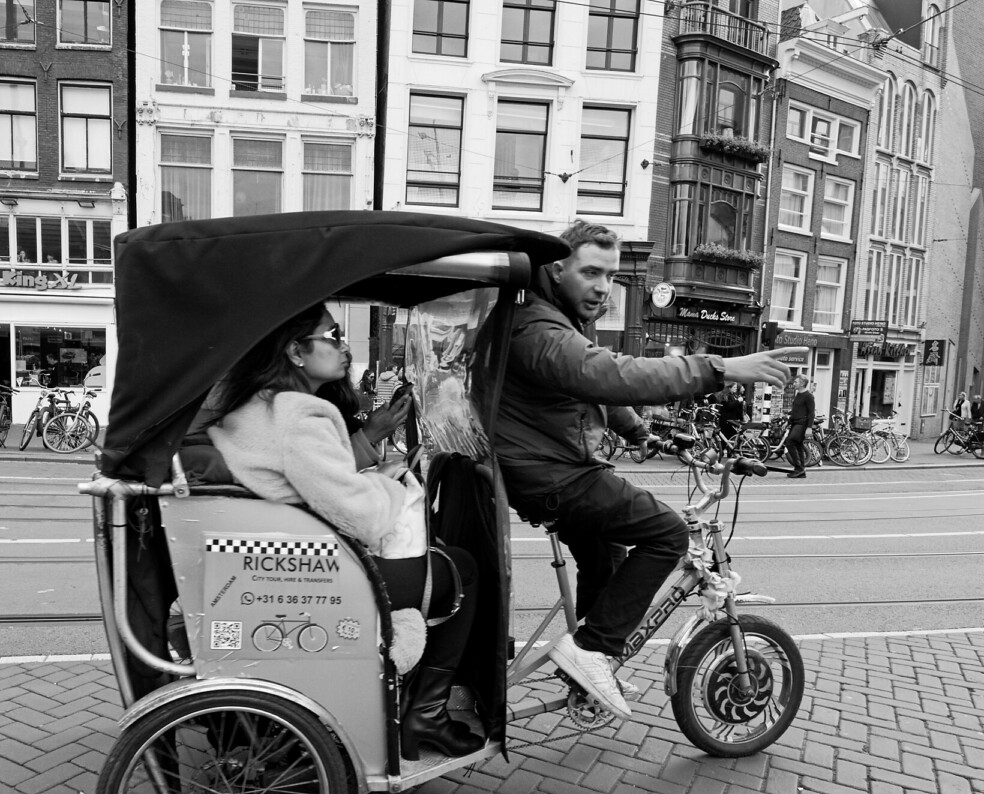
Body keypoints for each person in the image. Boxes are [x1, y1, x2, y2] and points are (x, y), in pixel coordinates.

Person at [492, 221, 791, 721]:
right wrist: (718, 368)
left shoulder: (555, 315)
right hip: (548, 472)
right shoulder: (536, 324)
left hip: (547, 465)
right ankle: (589, 650)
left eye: (611, 276)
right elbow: (602, 373)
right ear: (557, 269)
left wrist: (639, 433)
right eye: (590, 272)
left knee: (605, 553)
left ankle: (586, 658)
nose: (603, 287)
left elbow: (587, 386)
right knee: (666, 533)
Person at [207, 303, 483, 762]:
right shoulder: (299, 416)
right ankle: (427, 714)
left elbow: (310, 481)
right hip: (319, 577)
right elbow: (365, 518)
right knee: (463, 568)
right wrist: (391, 482)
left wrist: (368, 466)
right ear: (296, 350)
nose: (343, 346)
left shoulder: (260, 406)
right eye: (332, 336)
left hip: (280, 564)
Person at [784, 375, 814, 480]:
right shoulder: (798, 394)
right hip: (795, 423)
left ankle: (798, 468)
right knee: (798, 445)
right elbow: (796, 409)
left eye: (796, 382)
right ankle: (801, 471)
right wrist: (788, 419)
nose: (794, 384)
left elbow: (811, 413)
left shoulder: (808, 396)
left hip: (802, 424)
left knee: (790, 442)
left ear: (802, 383)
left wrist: (809, 428)